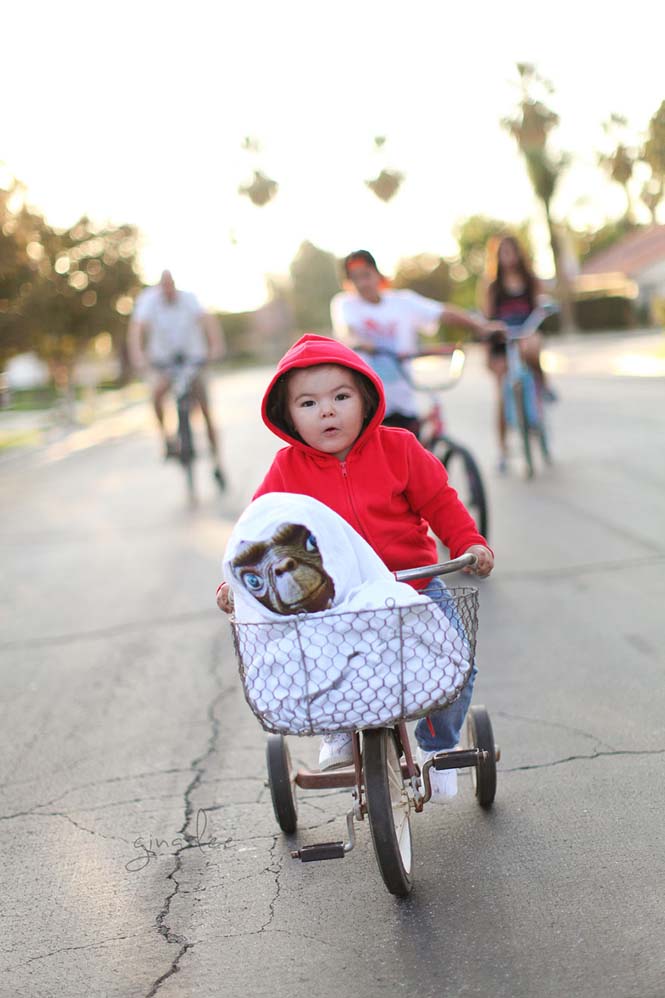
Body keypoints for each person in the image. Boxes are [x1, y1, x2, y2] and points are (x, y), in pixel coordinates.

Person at [216, 333, 494, 799]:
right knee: (323, 663)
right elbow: (257, 535)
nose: (327, 411)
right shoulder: (287, 470)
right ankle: (339, 728)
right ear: (289, 417)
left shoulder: (399, 448)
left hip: (414, 585)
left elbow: (440, 502)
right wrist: (235, 586)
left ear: (365, 400)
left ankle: (438, 745)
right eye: (308, 403)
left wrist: (468, 541)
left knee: (454, 666)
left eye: (340, 397)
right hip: (335, 600)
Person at [330, 249, 504, 435]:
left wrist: (481, 327)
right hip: (369, 404)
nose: (362, 283)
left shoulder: (402, 302)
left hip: (404, 399)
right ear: (348, 283)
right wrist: (361, 343)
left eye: (366, 275)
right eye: (355, 278)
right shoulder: (345, 305)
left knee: (414, 450)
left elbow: (443, 313)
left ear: (378, 275)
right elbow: (347, 333)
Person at [128, 270, 227, 488]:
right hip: (164, 362)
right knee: (156, 395)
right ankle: (166, 439)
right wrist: (138, 355)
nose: (168, 290)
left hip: (193, 359)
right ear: (158, 287)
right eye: (164, 286)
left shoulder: (189, 299)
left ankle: (217, 462)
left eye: (171, 285)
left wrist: (215, 345)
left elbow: (208, 320)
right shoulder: (148, 301)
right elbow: (137, 329)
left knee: (205, 408)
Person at [480, 234, 557, 472]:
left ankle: (542, 385)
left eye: (512, 251)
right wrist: (489, 353)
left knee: (530, 345)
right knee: (502, 396)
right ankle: (503, 451)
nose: (509, 257)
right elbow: (486, 320)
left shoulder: (530, 280)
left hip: (526, 333)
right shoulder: (492, 286)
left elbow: (539, 308)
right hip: (502, 342)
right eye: (504, 253)